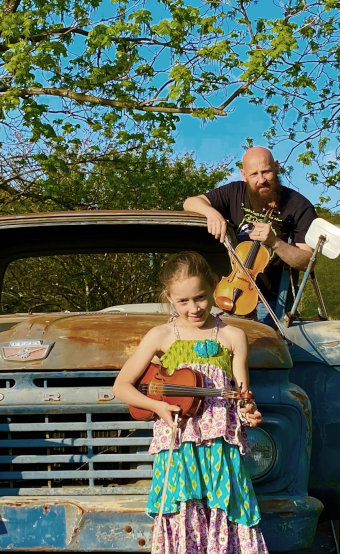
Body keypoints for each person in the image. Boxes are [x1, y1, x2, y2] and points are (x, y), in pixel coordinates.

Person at [113, 253, 267, 554]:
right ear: (169, 297)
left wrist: (249, 412)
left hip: (221, 448)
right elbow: (122, 386)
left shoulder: (233, 336)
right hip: (178, 444)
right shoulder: (159, 336)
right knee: (183, 516)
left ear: (213, 287)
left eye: (200, 298)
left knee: (227, 511)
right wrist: (157, 407)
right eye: (182, 301)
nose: (193, 308)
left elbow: (242, 393)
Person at [183, 147, 318, 322]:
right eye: (254, 174)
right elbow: (190, 202)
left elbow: (308, 261)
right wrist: (212, 213)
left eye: (266, 172)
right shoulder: (234, 192)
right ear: (243, 175)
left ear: (277, 167)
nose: (261, 180)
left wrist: (274, 242)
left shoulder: (300, 206)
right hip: (226, 293)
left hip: (272, 303)